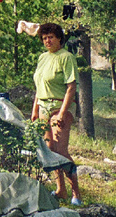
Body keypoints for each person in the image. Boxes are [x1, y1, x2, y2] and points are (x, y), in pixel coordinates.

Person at [30, 22, 83, 205]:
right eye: (44, 38)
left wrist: (62, 113)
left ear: (59, 38)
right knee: (49, 150)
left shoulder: (66, 57)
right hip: (43, 106)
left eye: (51, 37)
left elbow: (71, 87)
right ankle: (61, 190)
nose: (48, 41)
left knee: (60, 151)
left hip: (60, 106)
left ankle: (76, 193)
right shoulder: (42, 58)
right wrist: (35, 110)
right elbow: (39, 86)